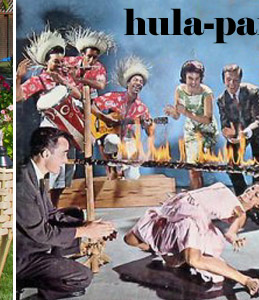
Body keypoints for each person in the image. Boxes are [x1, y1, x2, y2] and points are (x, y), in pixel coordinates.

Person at [124, 181, 259, 298]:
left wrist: (235, 238)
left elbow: (232, 231)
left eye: (256, 195)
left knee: (195, 260)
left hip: (190, 222)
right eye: (253, 188)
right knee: (130, 239)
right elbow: (201, 196)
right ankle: (166, 251)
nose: (249, 192)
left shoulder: (239, 212)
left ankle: (245, 280)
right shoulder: (224, 191)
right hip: (176, 212)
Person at [16, 127, 116, 300]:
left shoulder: (34, 173)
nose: (65, 160)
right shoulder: (22, 184)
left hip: (34, 242)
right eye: (63, 153)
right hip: (22, 258)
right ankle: (37, 288)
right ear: (46, 154)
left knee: (75, 215)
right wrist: (85, 232)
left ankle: (52, 266)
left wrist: (89, 226)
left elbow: (51, 214)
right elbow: (42, 232)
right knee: (82, 276)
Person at [16, 28, 82, 203]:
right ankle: (44, 207)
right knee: (51, 169)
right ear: (46, 63)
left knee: (66, 170)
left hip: (70, 128)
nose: (60, 64)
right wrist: (18, 78)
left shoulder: (66, 77)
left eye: (61, 61)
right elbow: (18, 96)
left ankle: (55, 206)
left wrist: (64, 82)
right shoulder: (40, 80)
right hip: (51, 128)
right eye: (55, 62)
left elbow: (79, 95)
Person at [92, 56, 156, 180]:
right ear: (127, 83)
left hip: (128, 140)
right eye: (135, 80)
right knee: (112, 140)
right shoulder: (114, 97)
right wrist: (105, 118)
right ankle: (113, 168)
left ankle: (123, 171)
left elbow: (149, 131)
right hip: (112, 139)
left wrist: (148, 125)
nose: (138, 83)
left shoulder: (141, 108)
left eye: (141, 81)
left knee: (133, 177)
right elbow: (93, 105)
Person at [216, 64, 259, 196]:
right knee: (231, 165)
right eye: (228, 80)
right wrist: (229, 135)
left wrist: (246, 132)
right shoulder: (221, 100)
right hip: (238, 133)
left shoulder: (253, 91)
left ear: (240, 80)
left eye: (235, 80)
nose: (232, 84)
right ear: (223, 80)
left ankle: (258, 195)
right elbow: (225, 123)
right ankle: (243, 196)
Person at [165, 60, 217, 189]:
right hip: (191, 130)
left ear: (201, 78)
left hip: (206, 131)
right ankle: (195, 197)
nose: (193, 82)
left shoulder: (207, 93)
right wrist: (172, 113)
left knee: (198, 167)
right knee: (192, 168)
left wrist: (187, 113)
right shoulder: (179, 90)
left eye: (197, 79)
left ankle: (200, 196)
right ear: (184, 77)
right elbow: (177, 115)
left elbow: (207, 119)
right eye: (190, 78)